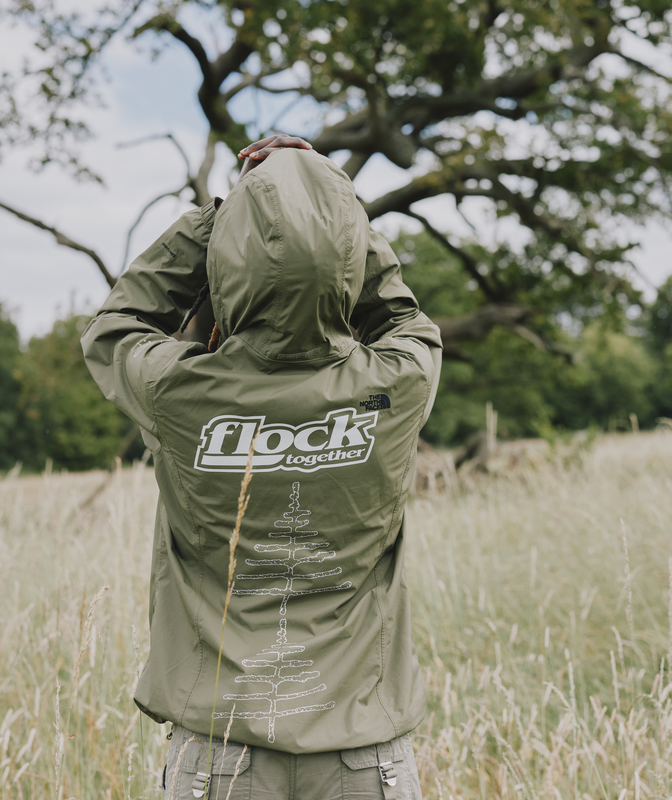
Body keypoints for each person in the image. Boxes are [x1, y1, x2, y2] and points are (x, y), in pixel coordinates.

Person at [81, 135, 443, 800]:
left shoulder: (177, 391)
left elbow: (116, 325)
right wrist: (332, 210)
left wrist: (221, 219)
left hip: (220, 757)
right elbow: (398, 312)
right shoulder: (401, 381)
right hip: (366, 760)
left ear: (229, 266)